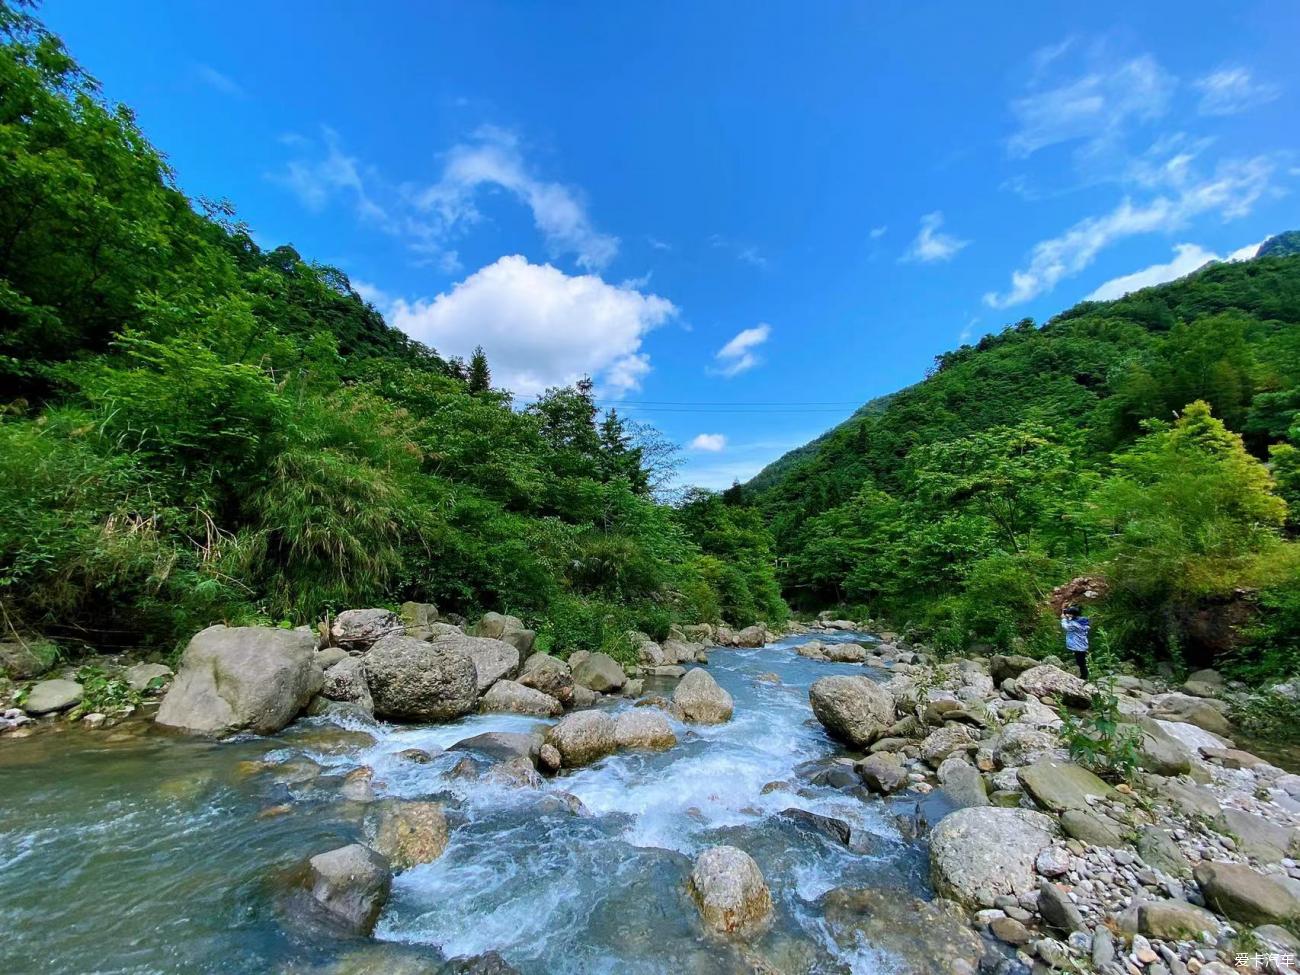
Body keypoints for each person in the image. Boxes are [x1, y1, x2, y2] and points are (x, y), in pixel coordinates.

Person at [1060, 605, 1090, 680]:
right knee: (1082, 662)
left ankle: (1084, 677)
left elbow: (1066, 627)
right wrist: (1067, 618)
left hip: (1078, 646)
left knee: (1081, 663)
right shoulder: (1082, 622)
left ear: (1073, 614)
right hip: (1082, 645)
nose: (1068, 615)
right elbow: (1071, 622)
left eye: (1069, 613)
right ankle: (1084, 676)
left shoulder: (1074, 624)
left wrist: (1063, 619)